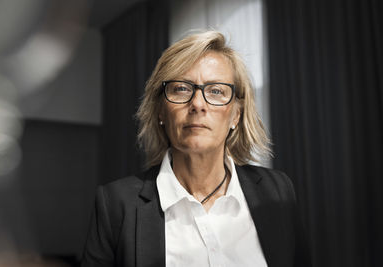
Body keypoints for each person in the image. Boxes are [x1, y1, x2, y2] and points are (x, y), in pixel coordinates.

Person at [81, 31, 311, 267]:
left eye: (216, 91)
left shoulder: (278, 192)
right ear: (160, 111)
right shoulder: (115, 205)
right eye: (181, 88)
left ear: (235, 115)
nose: (198, 104)